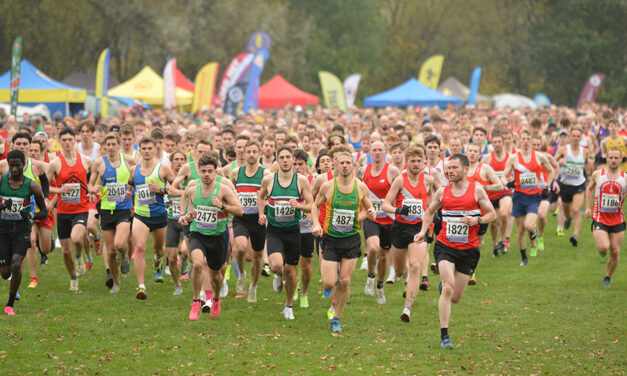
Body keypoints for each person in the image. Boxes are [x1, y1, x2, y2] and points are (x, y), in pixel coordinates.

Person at [414, 154, 496, 349]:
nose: (450, 171)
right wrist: (422, 232)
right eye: (448, 168)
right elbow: (429, 212)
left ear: (466, 169)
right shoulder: (443, 192)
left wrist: (477, 221)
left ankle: (446, 287)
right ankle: (444, 336)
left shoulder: (477, 191)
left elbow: (492, 214)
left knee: (456, 297)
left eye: (454, 168)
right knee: (448, 287)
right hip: (446, 246)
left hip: (468, 250)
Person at [312, 151, 376, 333]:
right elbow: (314, 206)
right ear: (336, 165)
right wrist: (316, 223)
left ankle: (337, 318)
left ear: (354, 166)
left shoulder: (361, 187)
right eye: (342, 163)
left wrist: (366, 214)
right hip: (331, 239)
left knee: (345, 281)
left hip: (351, 239)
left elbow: (368, 209)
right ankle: (334, 274)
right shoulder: (328, 186)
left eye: (349, 163)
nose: (345, 166)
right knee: (328, 283)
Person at [178, 155, 243, 320]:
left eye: (210, 171)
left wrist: (222, 206)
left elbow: (239, 210)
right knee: (198, 264)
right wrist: (186, 215)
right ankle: (195, 302)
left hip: (218, 236)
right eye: (203, 171)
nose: (206, 174)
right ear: (199, 172)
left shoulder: (223, 189)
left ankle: (215, 299)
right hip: (198, 233)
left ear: (216, 172)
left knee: (216, 275)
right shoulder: (193, 188)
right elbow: (187, 202)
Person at [257, 146, 313, 320]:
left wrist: (300, 206)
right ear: (277, 160)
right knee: (275, 265)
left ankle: (288, 305)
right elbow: (260, 197)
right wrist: (261, 214)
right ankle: (277, 274)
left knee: (291, 271)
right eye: (282, 157)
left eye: (288, 157)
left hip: (293, 232)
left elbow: (311, 205)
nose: (286, 160)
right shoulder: (269, 180)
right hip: (274, 231)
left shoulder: (301, 180)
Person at [382, 145, 434, 321]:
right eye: (412, 161)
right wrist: (398, 210)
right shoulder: (400, 180)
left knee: (415, 266)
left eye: (419, 161)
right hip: (399, 228)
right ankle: (401, 275)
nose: (416, 164)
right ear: (407, 162)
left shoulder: (428, 180)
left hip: (418, 228)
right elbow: (385, 205)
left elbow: (434, 202)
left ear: (423, 162)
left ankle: (407, 308)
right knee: (399, 270)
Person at [0, 150, 49, 315]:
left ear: (23, 165)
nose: (14, 169)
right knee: (5, 271)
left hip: (22, 229)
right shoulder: (1, 181)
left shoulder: (32, 185)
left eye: (18, 165)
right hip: (3, 230)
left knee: (15, 264)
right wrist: (2, 206)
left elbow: (44, 212)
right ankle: (10, 279)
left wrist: (31, 215)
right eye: (11, 165)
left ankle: (10, 304)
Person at [88, 132, 136, 293]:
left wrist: (131, 191)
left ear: (118, 145)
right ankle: (116, 283)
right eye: (107, 145)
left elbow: (137, 182)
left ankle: (125, 256)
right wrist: (93, 189)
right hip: (106, 210)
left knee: (120, 244)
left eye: (113, 144)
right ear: (103, 147)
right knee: (110, 250)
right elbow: (90, 185)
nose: (110, 147)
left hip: (123, 209)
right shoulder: (98, 163)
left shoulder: (128, 161)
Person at [47, 127, 93, 291]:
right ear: (59, 142)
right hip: (63, 212)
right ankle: (73, 277)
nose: (67, 142)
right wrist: (59, 191)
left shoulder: (86, 161)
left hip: (81, 208)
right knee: (66, 252)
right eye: (64, 140)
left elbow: (94, 180)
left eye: (70, 139)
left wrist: (93, 191)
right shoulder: (55, 163)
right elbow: (44, 187)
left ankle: (80, 257)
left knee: (77, 238)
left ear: (75, 140)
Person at [501, 129, 556, 266]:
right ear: (519, 140)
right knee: (520, 231)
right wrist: (507, 183)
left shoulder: (539, 157)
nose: (525, 142)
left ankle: (535, 232)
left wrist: (547, 186)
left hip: (533, 197)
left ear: (531, 141)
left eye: (528, 139)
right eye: (523, 139)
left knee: (528, 225)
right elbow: (503, 175)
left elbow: (551, 170)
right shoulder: (514, 158)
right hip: (519, 197)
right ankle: (524, 257)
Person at [130, 137, 175, 299]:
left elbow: (175, 188)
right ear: (140, 150)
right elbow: (130, 185)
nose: (147, 151)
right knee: (140, 246)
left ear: (154, 150)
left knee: (159, 249)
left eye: (150, 148)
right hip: (140, 215)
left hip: (159, 215)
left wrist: (161, 189)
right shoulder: (134, 170)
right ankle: (141, 286)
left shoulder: (163, 169)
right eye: (144, 148)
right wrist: (129, 191)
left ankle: (157, 264)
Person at [359, 141, 400, 304]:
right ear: (369, 152)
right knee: (374, 248)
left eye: (380, 150)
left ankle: (380, 286)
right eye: (374, 150)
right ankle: (370, 276)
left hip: (389, 220)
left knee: (383, 257)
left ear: (385, 152)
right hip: (371, 217)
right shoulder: (363, 171)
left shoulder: (392, 170)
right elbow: (358, 191)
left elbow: (402, 190)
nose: (377, 153)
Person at [230, 140, 269, 301]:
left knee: (258, 256)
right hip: (241, 218)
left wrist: (264, 206)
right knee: (240, 247)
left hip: (258, 219)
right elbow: (230, 191)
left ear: (259, 153)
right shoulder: (236, 173)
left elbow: (270, 196)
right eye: (249, 152)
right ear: (244, 153)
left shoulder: (265, 174)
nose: (251, 155)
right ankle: (242, 274)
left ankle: (253, 286)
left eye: (254, 152)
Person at [584, 148, 625, 286]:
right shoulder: (598, 174)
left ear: (621, 160)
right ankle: (602, 251)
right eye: (611, 157)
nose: (613, 160)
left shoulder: (625, 178)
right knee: (603, 248)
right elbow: (589, 189)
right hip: (600, 217)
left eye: (616, 158)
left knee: (615, 251)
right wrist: (588, 207)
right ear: (607, 159)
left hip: (617, 219)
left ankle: (608, 276)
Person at [554, 128, 589, 246]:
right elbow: (554, 161)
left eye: (578, 136)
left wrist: (589, 178)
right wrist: (559, 162)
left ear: (581, 138)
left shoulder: (585, 152)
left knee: (576, 210)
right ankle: (567, 218)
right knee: (567, 210)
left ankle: (575, 235)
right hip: (565, 185)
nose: (575, 138)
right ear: (570, 137)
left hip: (579, 185)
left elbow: (587, 164)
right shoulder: (564, 149)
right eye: (573, 136)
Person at [481, 131, 513, 256]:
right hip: (491, 193)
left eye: (500, 141)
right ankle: (495, 244)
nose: (497, 144)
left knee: (504, 214)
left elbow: (516, 172)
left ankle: (502, 241)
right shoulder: (487, 159)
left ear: (504, 142)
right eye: (495, 142)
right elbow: (481, 174)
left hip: (505, 192)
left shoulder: (511, 157)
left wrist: (512, 179)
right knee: (493, 223)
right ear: (492, 144)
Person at [164, 150, 188, 295]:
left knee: (185, 250)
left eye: (182, 159)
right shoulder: (168, 178)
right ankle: (177, 284)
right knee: (172, 258)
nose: (179, 162)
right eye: (176, 159)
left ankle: (186, 260)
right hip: (172, 220)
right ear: (171, 161)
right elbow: (170, 191)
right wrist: (186, 193)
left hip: (186, 220)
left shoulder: (190, 178)